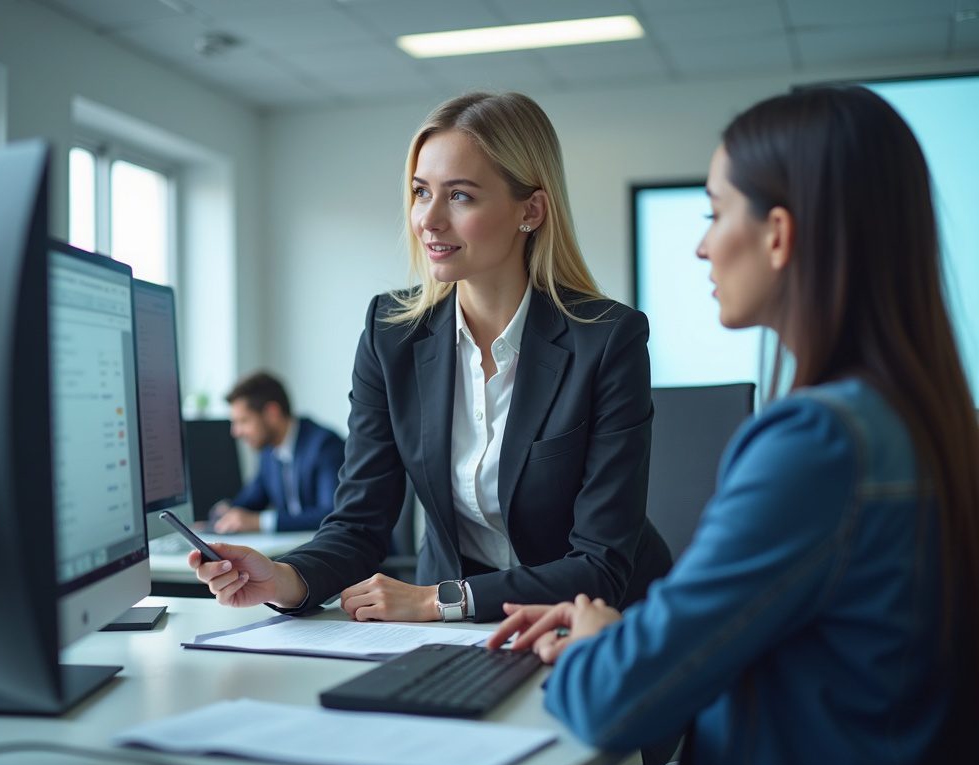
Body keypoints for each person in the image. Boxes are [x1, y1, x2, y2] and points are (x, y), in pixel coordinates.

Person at [488, 85, 979, 765]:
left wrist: (606, 646)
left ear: (779, 235)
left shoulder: (818, 446)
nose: (701, 247)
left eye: (715, 213)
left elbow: (613, 699)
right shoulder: (925, 422)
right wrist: (633, 631)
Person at [189, 91, 672, 623]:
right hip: (456, 633)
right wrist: (283, 578)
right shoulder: (391, 335)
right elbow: (358, 523)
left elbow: (599, 564)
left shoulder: (606, 340)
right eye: (422, 192)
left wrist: (440, 599)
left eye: (460, 196)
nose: (429, 220)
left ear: (530, 210)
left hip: (594, 625)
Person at [209, 371, 344, 533]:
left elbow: (330, 514)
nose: (235, 432)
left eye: (243, 421)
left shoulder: (324, 445)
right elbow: (251, 499)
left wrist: (259, 522)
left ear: (272, 413)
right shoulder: (268, 452)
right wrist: (226, 511)